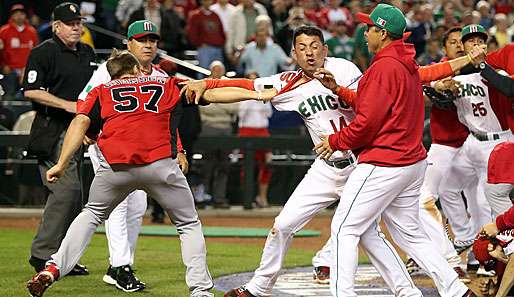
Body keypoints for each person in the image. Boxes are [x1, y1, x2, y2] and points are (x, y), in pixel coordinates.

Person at [181, 25, 440, 297]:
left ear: (325, 49)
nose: (309, 53)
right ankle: (259, 287)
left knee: (369, 235)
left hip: (360, 164)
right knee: (282, 225)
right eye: (302, 48)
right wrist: (207, 85)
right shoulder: (289, 83)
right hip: (326, 169)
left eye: (315, 46)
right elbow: (245, 87)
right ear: (293, 53)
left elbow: (369, 106)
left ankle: (406, 292)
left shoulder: (345, 69)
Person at [313, 4, 473, 296]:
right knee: (409, 234)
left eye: (371, 27)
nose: (366, 32)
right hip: (411, 162)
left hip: (385, 161)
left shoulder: (384, 67)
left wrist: (335, 141)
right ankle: (455, 291)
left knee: (344, 229)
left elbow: (366, 124)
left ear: (383, 32)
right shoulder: (403, 60)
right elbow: (374, 102)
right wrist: (339, 89)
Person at [26, 49, 214, 297]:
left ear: (110, 75)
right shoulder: (163, 82)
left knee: (91, 214)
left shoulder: (101, 91)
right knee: (188, 224)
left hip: (117, 168)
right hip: (159, 166)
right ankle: (200, 290)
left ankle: (53, 268)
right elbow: (213, 93)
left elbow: (80, 122)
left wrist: (61, 163)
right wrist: (255, 92)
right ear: (136, 69)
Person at [77, 19, 187, 291]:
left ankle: (120, 266)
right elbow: (83, 101)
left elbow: (168, 120)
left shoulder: (161, 76)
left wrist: (180, 149)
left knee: (138, 206)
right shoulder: (109, 70)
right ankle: (120, 266)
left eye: (152, 40)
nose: (148, 45)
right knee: (119, 204)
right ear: (129, 43)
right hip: (109, 145)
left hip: (145, 151)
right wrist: (86, 129)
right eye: (142, 40)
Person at [22, 2, 96, 275]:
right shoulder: (43, 52)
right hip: (52, 128)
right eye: (70, 23)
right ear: (56, 26)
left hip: (79, 129)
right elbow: (30, 90)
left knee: (75, 196)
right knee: (66, 192)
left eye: (79, 22)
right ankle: (42, 255)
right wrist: (68, 105)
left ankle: (63, 258)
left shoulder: (87, 52)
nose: (77, 27)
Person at [0, 4, 38, 98]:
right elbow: (1, 50)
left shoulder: (32, 31)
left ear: (25, 16)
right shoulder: (3, 31)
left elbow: (36, 51)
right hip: (10, 69)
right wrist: (4, 65)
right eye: (16, 14)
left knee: (27, 96)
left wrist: (29, 68)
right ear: (12, 16)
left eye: (21, 13)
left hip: (27, 70)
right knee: (8, 96)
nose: (19, 16)